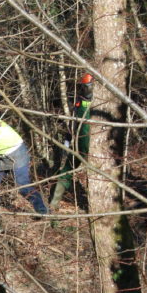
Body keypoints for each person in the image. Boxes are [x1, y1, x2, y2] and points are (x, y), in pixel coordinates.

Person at [50, 73, 93, 207]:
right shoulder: (79, 103)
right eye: (85, 86)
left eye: (88, 86)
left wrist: (67, 143)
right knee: (67, 171)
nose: (86, 89)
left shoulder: (100, 104)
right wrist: (67, 144)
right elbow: (72, 127)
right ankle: (54, 203)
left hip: (91, 147)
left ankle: (54, 203)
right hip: (82, 145)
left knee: (67, 171)